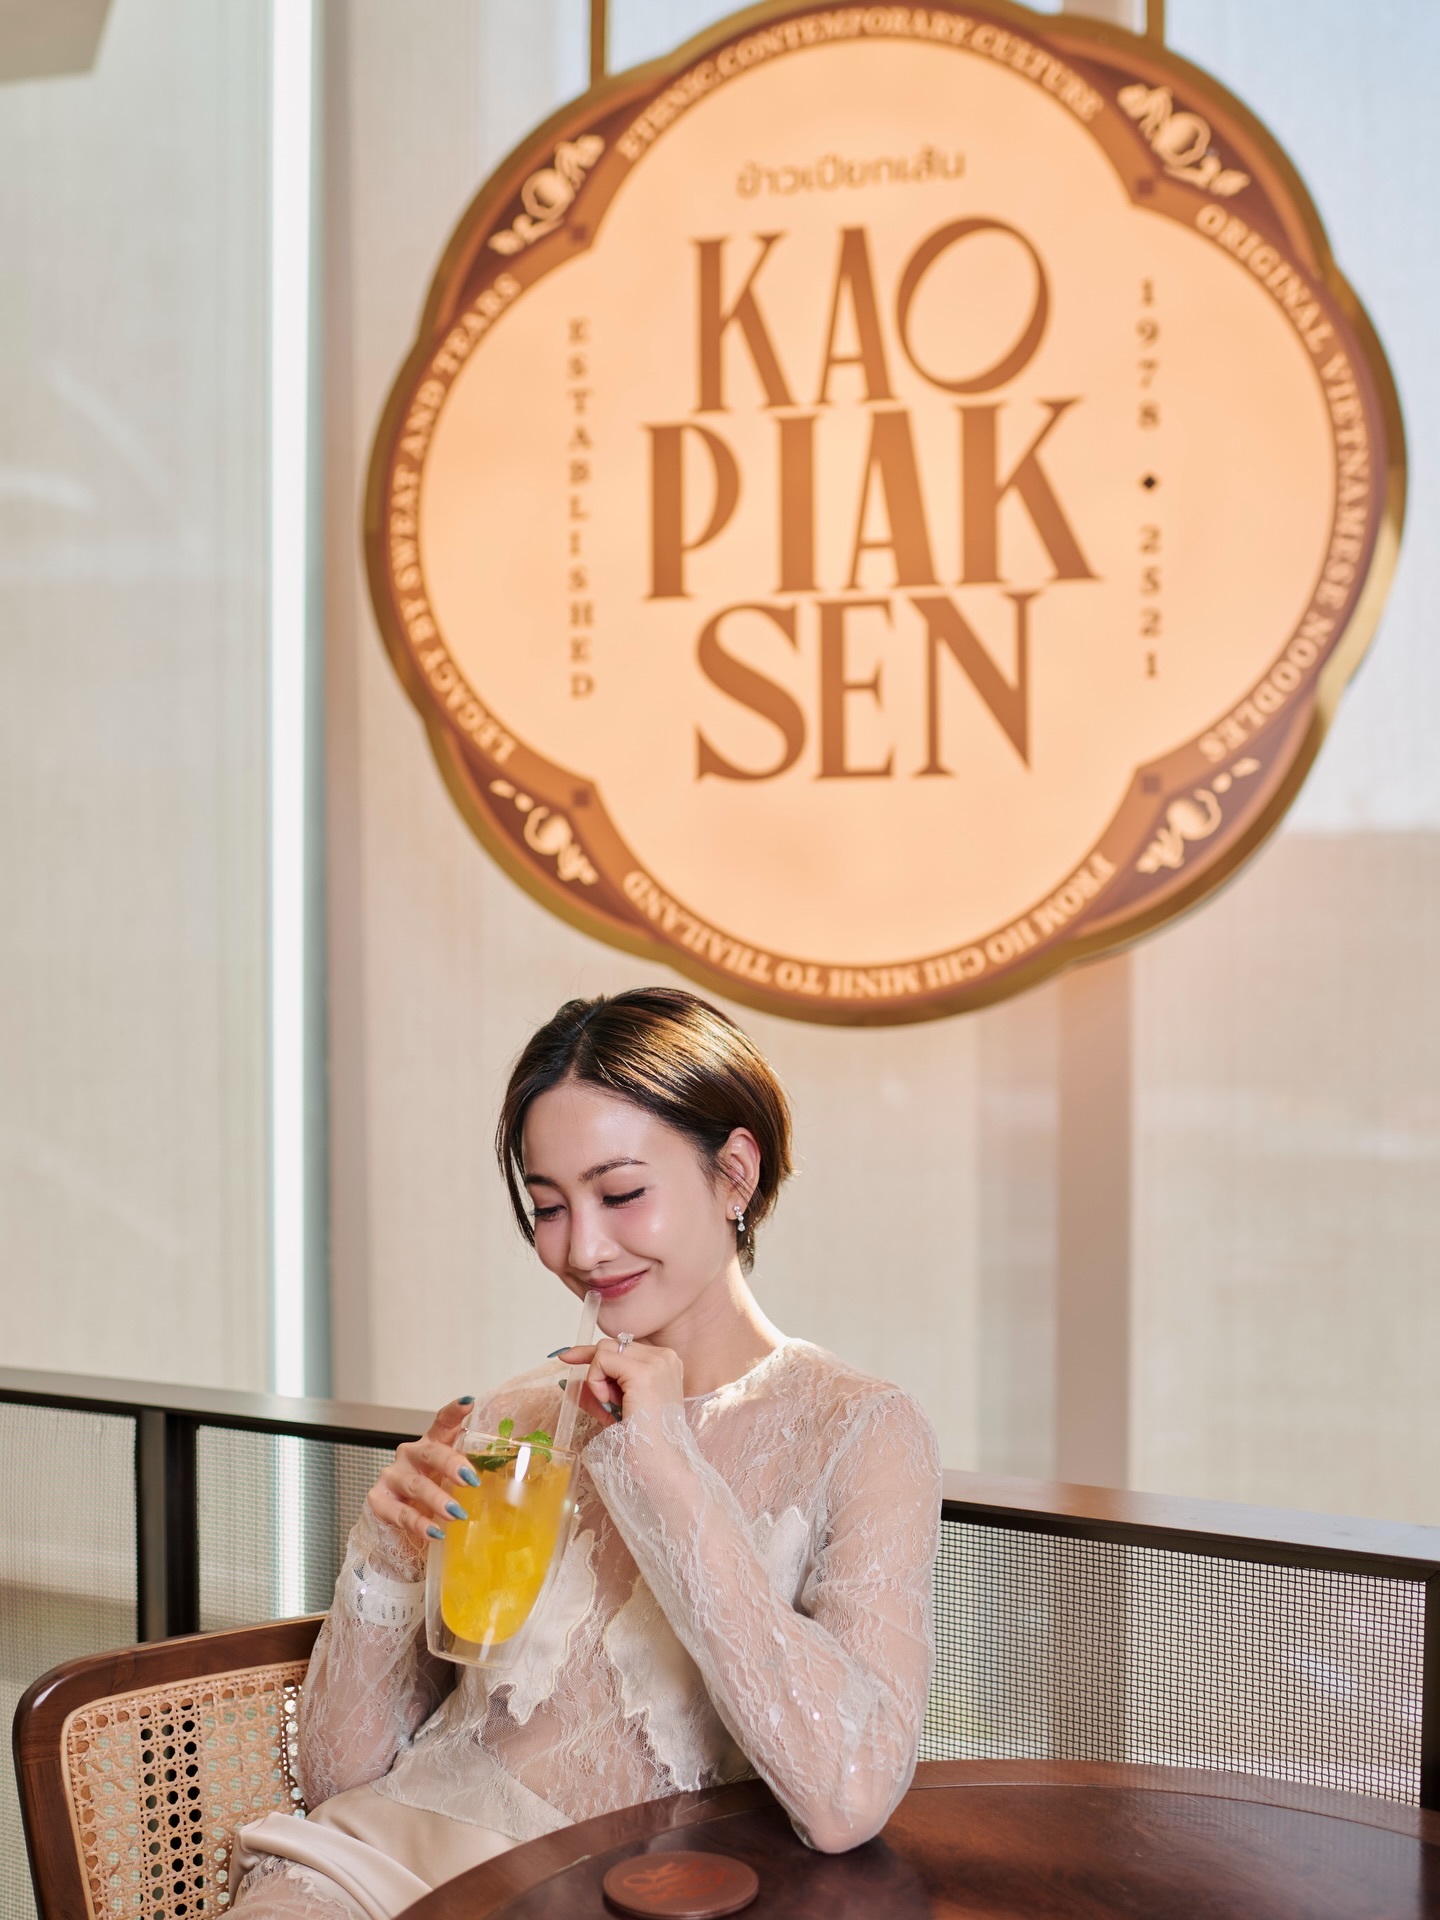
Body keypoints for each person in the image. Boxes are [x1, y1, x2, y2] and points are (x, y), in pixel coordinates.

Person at [232, 987, 942, 1920]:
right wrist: (390, 1552)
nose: (584, 1249)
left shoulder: (861, 1431)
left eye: (621, 1194)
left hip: (619, 1897)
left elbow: (847, 1795)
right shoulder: (515, 1418)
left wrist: (666, 1466)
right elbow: (336, 1777)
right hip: (368, 1874)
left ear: (735, 1173)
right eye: (548, 1206)